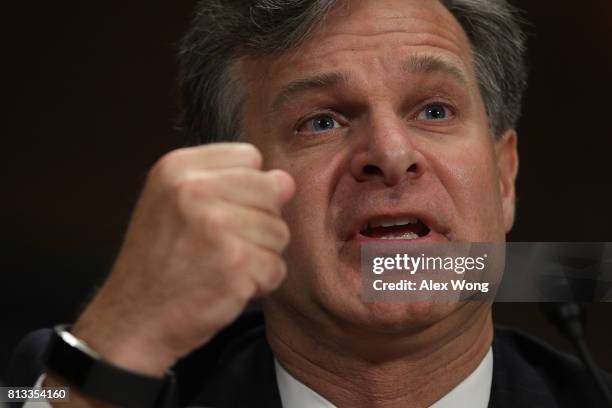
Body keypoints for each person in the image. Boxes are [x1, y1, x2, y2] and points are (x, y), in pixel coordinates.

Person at [8, 0, 612, 407]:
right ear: (233, 190)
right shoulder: (68, 377)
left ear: (504, 180)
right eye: (320, 120)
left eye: (434, 110)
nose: (391, 152)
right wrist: (119, 339)